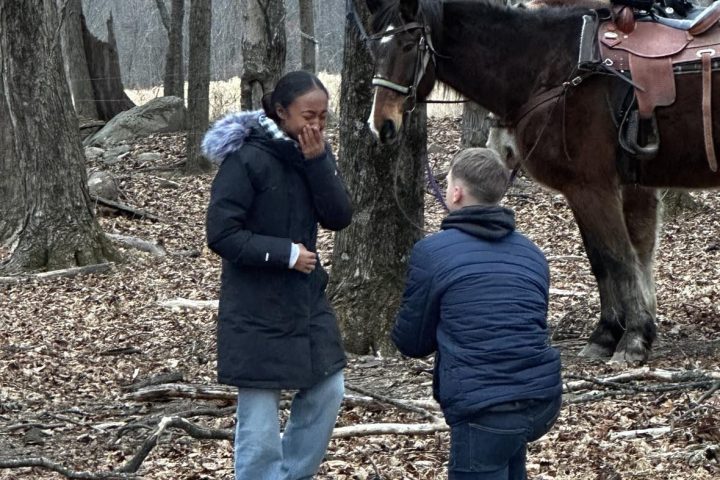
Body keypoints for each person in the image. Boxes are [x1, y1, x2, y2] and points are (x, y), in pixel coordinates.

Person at [202, 71, 353, 480]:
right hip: (254, 306)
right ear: (281, 111)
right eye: (309, 115)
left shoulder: (315, 152)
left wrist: (318, 162)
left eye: (323, 116)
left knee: (328, 388)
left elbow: (339, 216)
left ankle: (292, 476)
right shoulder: (246, 158)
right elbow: (221, 233)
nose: (317, 125)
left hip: (306, 301)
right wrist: (284, 254)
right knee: (260, 419)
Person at [392, 148, 562, 480]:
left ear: (455, 192)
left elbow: (412, 342)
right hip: (540, 400)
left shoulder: (432, 253)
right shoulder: (532, 254)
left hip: (484, 407)